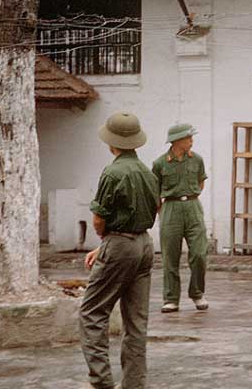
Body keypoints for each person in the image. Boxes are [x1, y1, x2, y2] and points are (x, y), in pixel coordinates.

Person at [79, 111, 160, 389]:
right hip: (144, 244)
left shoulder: (112, 172)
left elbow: (99, 219)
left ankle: (102, 382)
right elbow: (157, 206)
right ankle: (135, 384)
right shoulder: (147, 172)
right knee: (136, 322)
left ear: (112, 142)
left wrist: (107, 241)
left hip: (120, 243)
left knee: (92, 312)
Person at [153, 123, 209, 313]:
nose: (191, 141)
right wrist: (163, 212)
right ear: (176, 141)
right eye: (188, 138)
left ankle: (197, 293)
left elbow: (201, 182)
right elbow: (155, 191)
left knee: (200, 253)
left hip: (193, 206)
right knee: (170, 255)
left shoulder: (197, 160)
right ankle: (171, 299)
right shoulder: (160, 163)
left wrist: (190, 197)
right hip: (170, 207)